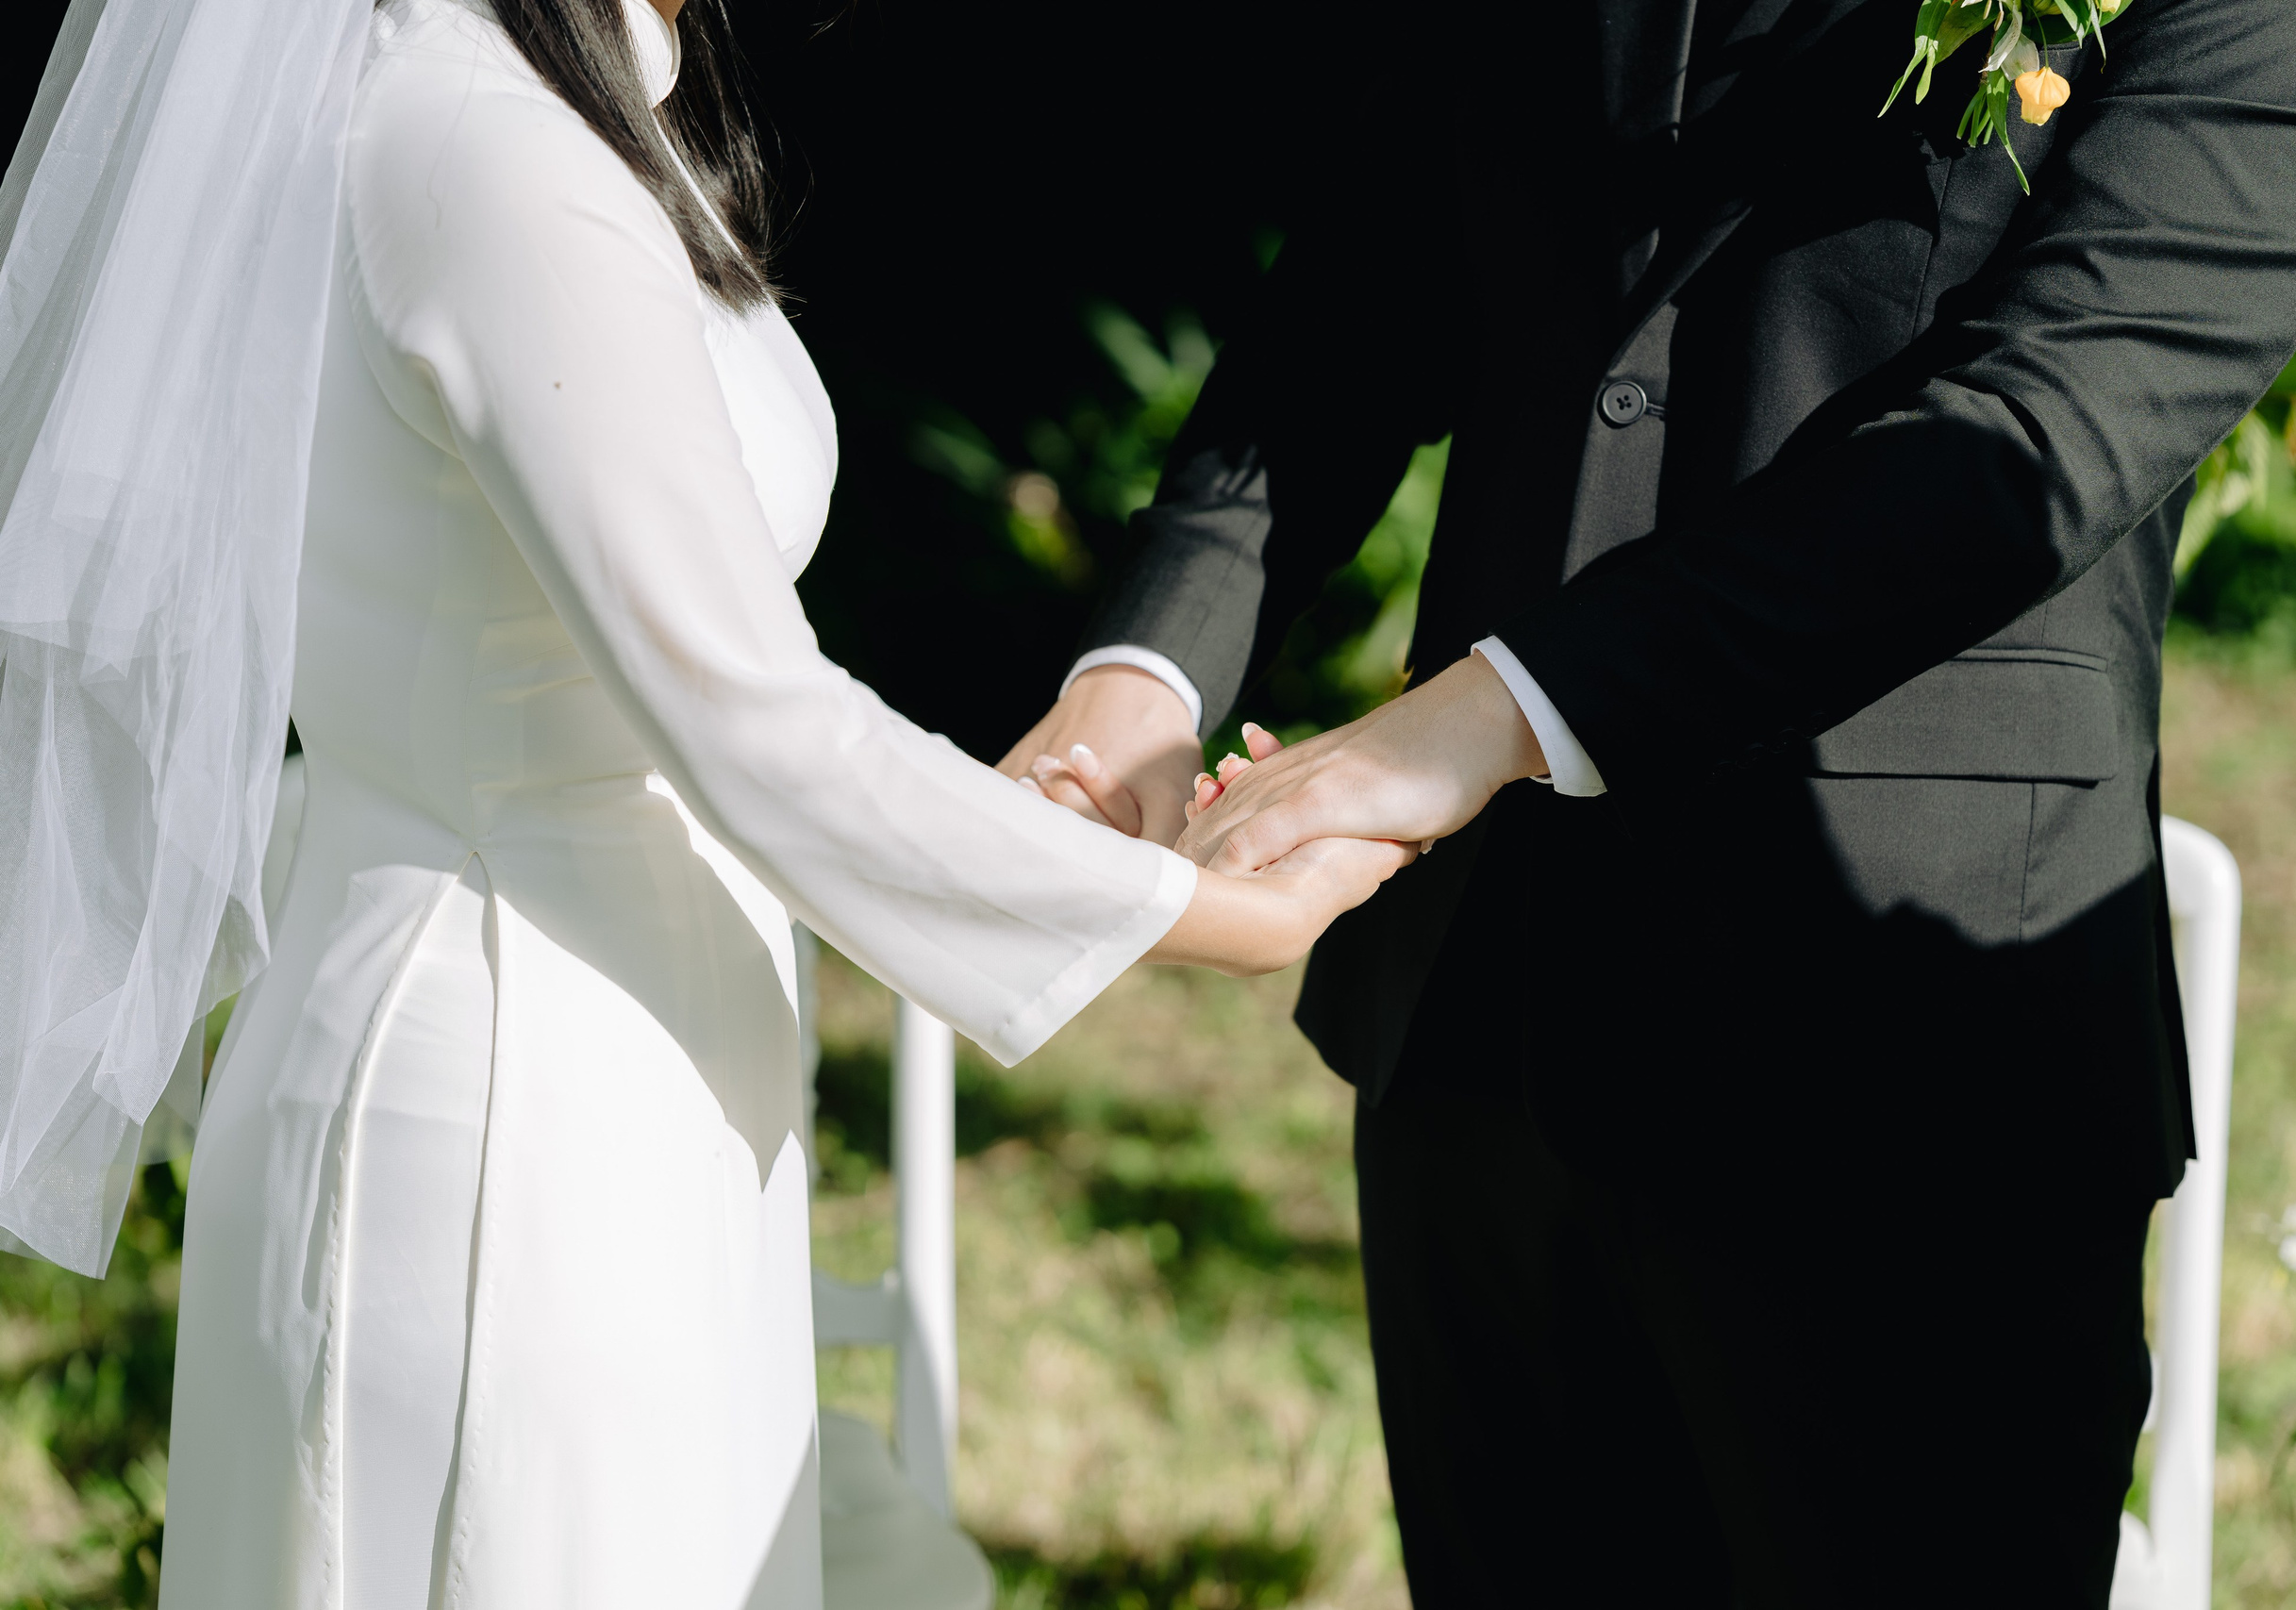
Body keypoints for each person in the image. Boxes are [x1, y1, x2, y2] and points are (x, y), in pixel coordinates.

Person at [1005, 1, 2296, 1603]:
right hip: (1483, 1030)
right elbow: (1368, 278)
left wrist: (1492, 712)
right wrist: (1148, 672)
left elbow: (2042, 429)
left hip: (1907, 1078)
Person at [0, 1, 1407, 1605]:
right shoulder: (491, 155)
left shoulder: (534, 110)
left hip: (625, 1061)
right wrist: (1221, 910)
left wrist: (1025, 826)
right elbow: (754, 725)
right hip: (519, 1111)